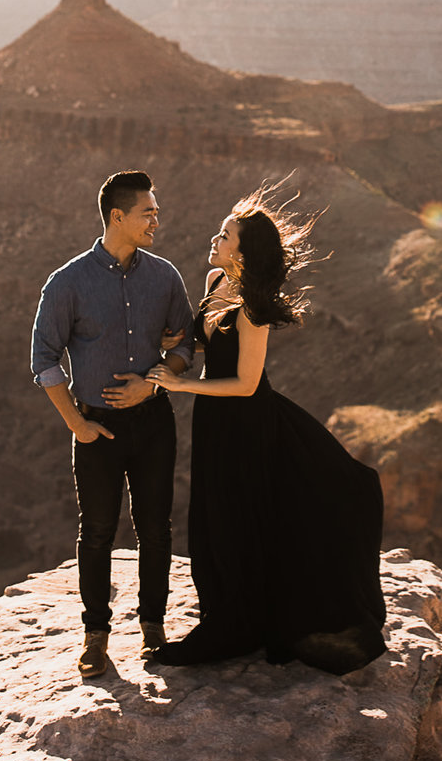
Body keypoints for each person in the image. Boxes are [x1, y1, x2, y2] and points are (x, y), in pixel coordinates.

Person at [144, 188, 387, 673]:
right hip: (214, 421)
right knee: (214, 516)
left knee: (240, 519)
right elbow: (200, 337)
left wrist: (180, 384)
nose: (215, 238)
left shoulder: (253, 308)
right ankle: (225, 610)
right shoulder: (216, 281)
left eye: (225, 234)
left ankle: (238, 622)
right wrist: (174, 342)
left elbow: (247, 383)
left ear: (243, 250)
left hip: (247, 422)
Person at [30, 169, 194, 679]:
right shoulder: (67, 282)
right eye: (148, 212)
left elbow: (190, 344)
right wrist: (76, 424)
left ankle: (152, 627)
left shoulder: (164, 276)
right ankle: (96, 636)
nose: (156, 220)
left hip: (153, 423)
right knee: (97, 532)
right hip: (96, 429)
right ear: (117, 217)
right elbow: (44, 358)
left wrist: (156, 380)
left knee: (156, 530)